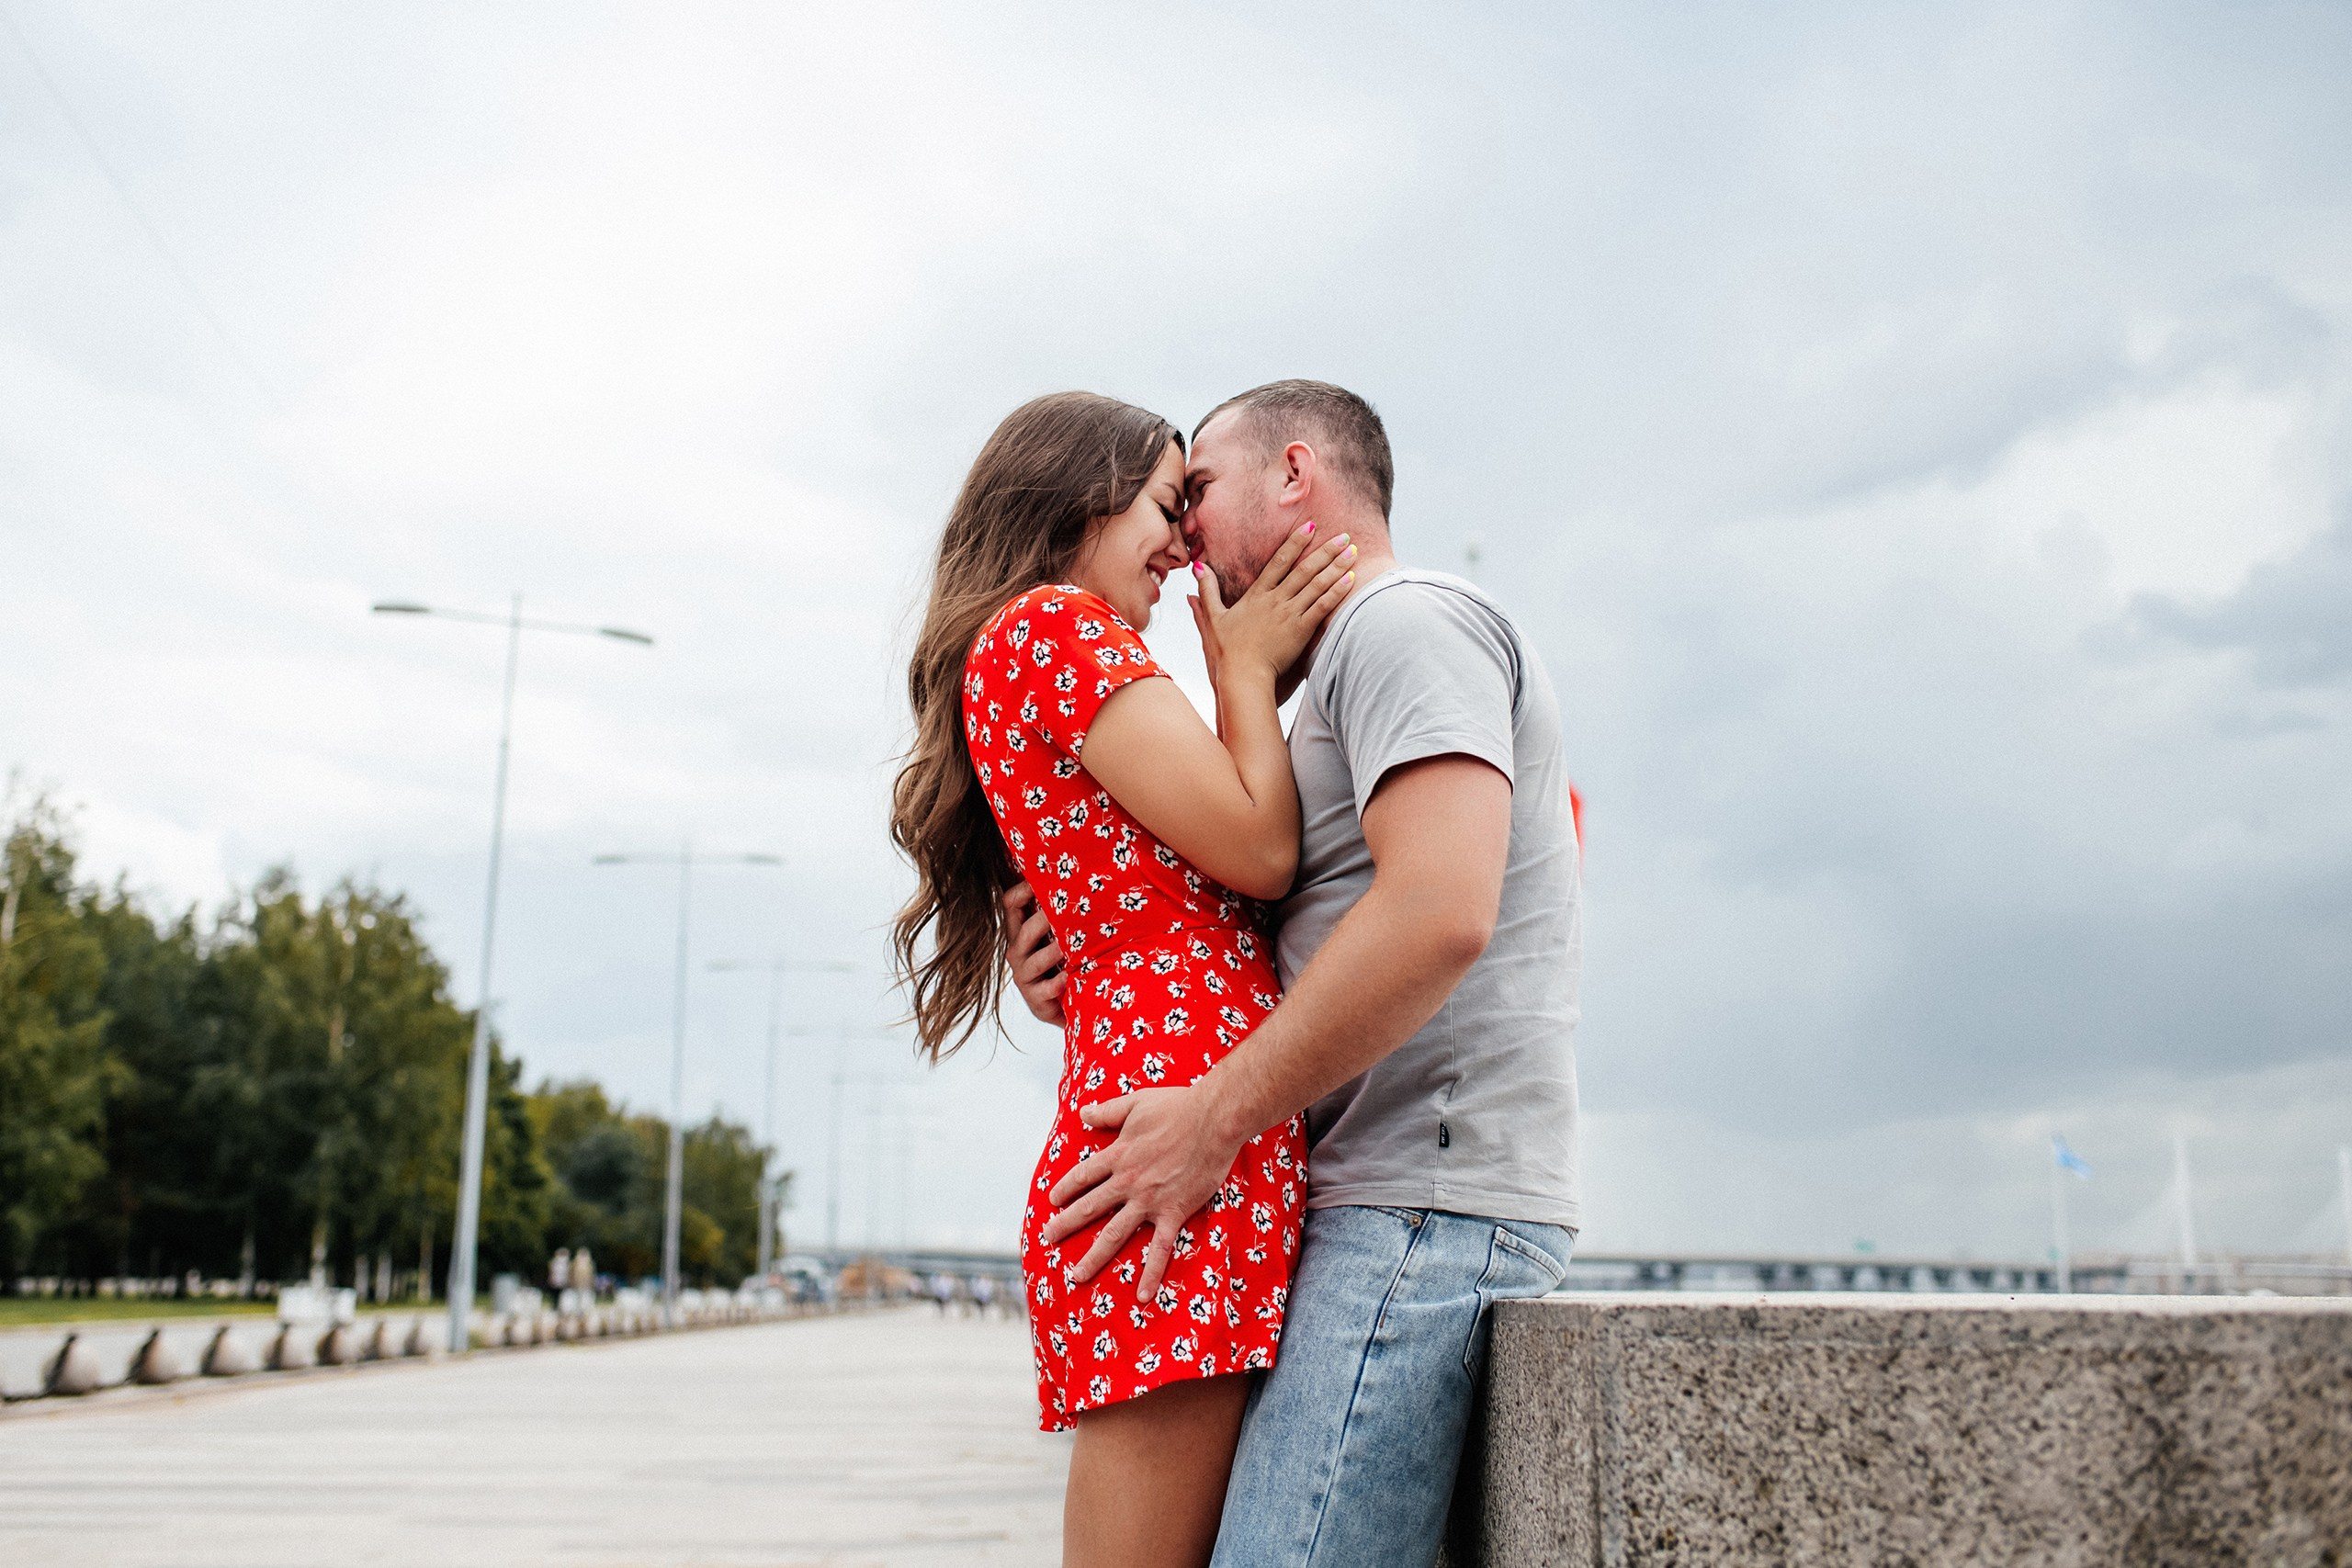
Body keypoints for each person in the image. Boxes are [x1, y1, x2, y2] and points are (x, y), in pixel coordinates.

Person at [1009, 380, 1583, 1567]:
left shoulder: (1406, 621)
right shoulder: (1327, 681)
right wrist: (1088, 941)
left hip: (1413, 1203)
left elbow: (1438, 909)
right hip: (1356, 1201)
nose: (1183, 533)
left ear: (1296, 471)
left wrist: (1213, 1114)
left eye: (1200, 488)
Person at [888, 390, 1359, 1568]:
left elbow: (1137, 893)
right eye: (1166, 505)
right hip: (1172, 1166)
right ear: (1076, 497)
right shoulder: (1057, 629)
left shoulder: (1025, 648)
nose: (1186, 545)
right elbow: (1257, 848)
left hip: (1165, 1146)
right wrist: (1240, 668)